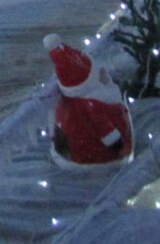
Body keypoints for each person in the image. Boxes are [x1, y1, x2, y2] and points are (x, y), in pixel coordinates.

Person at [44, 34, 133, 166]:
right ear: (89, 80)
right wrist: (119, 147)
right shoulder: (93, 104)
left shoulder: (69, 100)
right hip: (98, 154)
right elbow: (107, 133)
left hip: (77, 150)